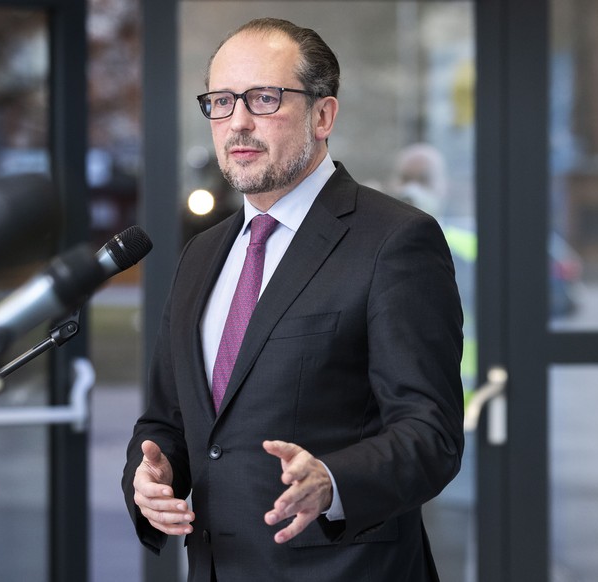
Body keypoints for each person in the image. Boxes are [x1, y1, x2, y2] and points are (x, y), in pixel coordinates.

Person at [122, 17, 464, 582]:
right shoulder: (200, 254)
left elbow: (431, 433)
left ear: (323, 114)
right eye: (223, 102)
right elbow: (167, 420)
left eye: (264, 98)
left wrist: (333, 479)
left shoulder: (395, 240)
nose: (239, 123)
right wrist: (149, 474)